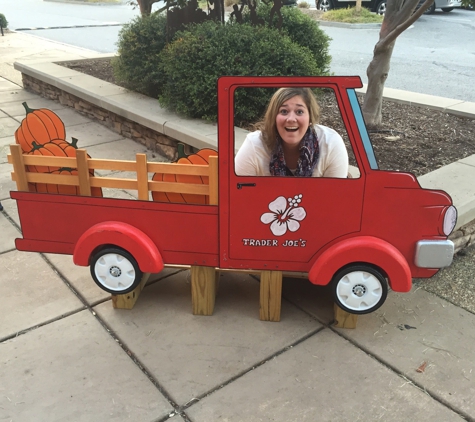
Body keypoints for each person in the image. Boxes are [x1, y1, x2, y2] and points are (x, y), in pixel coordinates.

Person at [235, 87, 349, 178]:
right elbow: (236, 195)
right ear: (274, 117)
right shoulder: (254, 145)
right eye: (284, 111)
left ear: (310, 118)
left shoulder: (331, 144)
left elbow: (335, 200)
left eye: (299, 112)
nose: (291, 119)